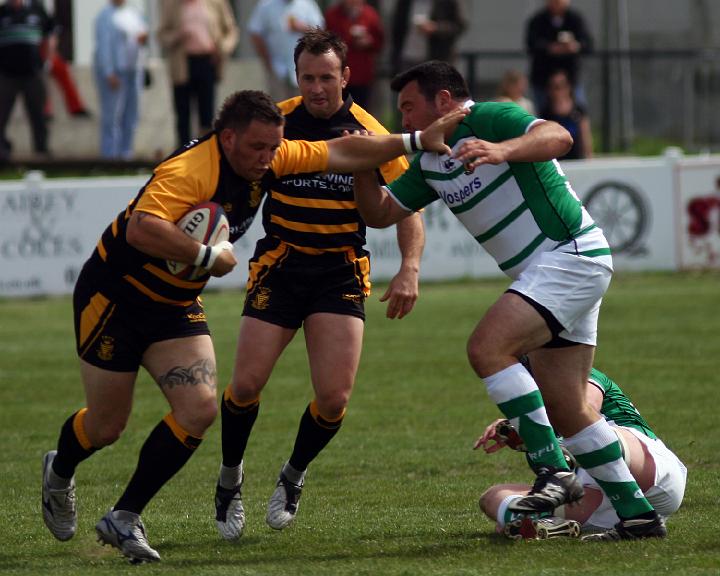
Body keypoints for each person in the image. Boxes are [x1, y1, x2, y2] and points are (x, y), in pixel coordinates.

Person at [39, 88, 465, 563]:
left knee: (199, 411)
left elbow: (342, 150)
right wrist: (206, 256)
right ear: (227, 138)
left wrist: (413, 140)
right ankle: (60, 471)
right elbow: (141, 227)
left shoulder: (272, 156)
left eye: (273, 148)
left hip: (175, 305)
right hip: (115, 299)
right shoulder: (190, 170)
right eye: (256, 149)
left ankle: (124, 516)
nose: (267, 159)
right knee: (106, 426)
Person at [352, 59, 667, 541]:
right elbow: (378, 213)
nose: (406, 120)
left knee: (487, 348)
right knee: (568, 409)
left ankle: (553, 471)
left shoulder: (489, 117)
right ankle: (638, 515)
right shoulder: (431, 162)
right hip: (554, 273)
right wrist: (360, 158)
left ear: (443, 100)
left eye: (409, 107)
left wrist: (503, 149)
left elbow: (559, 137)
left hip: (571, 255)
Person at [214, 29, 425, 541]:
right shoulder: (277, 123)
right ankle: (229, 478)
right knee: (245, 386)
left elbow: (408, 204)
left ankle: (292, 475)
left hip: (339, 271)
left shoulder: (369, 132)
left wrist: (410, 268)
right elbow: (231, 176)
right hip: (281, 264)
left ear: (346, 77)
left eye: (326, 77)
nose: (316, 88)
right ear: (297, 77)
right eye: (307, 77)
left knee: (333, 398)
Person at [476, 361, 687, 540]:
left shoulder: (579, 374)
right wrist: (525, 431)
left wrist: (534, 430)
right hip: (595, 500)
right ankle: (545, 525)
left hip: (648, 472)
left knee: (585, 430)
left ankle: (537, 516)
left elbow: (584, 411)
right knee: (492, 497)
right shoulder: (531, 418)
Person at [157, 0, 239, 148]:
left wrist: (223, 49)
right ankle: (183, 152)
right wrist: (178, 35)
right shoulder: (172, 5)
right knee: (183, 113)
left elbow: (231, 30)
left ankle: (206, 151)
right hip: (183, 64)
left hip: (207, 62)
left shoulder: (216, 3)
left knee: (207, 113)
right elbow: (162, 36)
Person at [0, 0, 56, 160]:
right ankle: (2, 150)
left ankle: (42, 151)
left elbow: (51, 32)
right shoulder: (2, 12)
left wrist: (48, 60)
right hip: (6, 74)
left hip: (33, 72)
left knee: (38, 114)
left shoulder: (37, 10)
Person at [93, 0, 148, 159]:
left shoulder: (133, 12)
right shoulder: (105, 16)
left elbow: (143, 31)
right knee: (112, 116)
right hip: (116, 72)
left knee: (131, 114)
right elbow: (104, 46)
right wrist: (109, 72)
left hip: (134, 70)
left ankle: (126, 153)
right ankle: (110, 155)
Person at [247, 0, 325, 102]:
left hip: (305, 68)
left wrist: (302, 27)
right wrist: (267, 61)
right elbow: (255, 32)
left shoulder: (307, 4)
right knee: (278, 108)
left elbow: (320, 31)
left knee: (302, 106)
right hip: (276, 68)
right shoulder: (266, 5)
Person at [525, 0, 593, 113]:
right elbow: (531, 44)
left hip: (570, 78)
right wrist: (550, 48)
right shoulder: (538, 20)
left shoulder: (575, 19)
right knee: (541, 114)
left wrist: (576, 46)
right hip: (543, 77)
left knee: (579, 112)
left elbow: (588, 44)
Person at [324, 0, 384, 111]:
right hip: (338, 76)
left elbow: (379, 42)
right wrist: (349, 39)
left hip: (362, 77)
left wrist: (369, 42)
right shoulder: (332, 15)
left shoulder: (370, 14)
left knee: (361, 113)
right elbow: (327, 42)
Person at [390, 0, 467, 75]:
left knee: (434, 87)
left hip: (436, 60)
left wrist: (436, 28)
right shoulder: (405, 2)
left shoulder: (448, 2)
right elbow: (396, 28)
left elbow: (459, 26)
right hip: (407, 58)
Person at [539, 69, 592, 160]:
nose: (557, 91)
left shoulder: (578, 110)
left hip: (577, 160)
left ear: (568, 87)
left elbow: (585, 136)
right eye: (553, 87)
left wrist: (589, 156)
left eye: (560, 86)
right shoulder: (546, 113)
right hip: (557, 161)